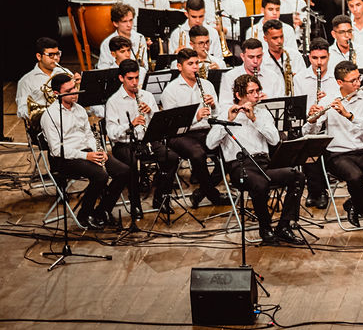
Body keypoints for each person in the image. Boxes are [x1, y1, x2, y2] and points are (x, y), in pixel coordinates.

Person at [207, 74, 305, 245]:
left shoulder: (262, 113)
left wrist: (254, 119)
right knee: (260, 183)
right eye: (251, 92)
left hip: (264, 164)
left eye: (258, 90)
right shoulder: (226, 113)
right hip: (240, 166)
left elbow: (274, 140)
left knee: (297, 176)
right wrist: (228, 120)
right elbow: (210, 144)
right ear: (239, 95)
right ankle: (265, 228)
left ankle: (284, 226)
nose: (257, 95)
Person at [304, 61, 363, 225]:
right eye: (353, 81)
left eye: (358, 78)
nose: (358, 83)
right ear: (340, 83)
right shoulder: (329, 99)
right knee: (355, 176)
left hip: (362, 152)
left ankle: (355, 205)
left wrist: (349, 116)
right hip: (338, 155)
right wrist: (313, 119)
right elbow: (308, 133)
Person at [40, 73, 129, 230]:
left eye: (74, 87)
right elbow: (55, 149)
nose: (75, 92)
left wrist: (97, 151)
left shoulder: (80, 109)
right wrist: (86, 155)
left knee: (123, 171)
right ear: (57, 94)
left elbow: (88, 135)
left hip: (86, 152)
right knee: (101, 175)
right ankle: (84, 214)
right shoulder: (50, 116)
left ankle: (102, 211)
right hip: (64, 158)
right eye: (69, 90)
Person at [105, 59, 179, 218]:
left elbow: (158, 125)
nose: (134, 83)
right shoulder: (113, 101)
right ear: (121, 78)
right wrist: (130, 125)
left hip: (147, 141)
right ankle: (135, 205)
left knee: (171, 157)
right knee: (132, 165)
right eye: (130, 79)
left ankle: (161, 198)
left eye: (137, 78)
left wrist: (151, 112)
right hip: (124, 144)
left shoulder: (147, 95)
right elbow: (111, 133)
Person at [161, 48, 229, 208]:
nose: (195, 67)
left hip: (205, 130)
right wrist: (195, 117)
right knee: (198, 154)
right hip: (181, 135)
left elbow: (217, 114)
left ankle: (201, 192)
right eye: (190, 64)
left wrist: (212, 106)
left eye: (197, 63)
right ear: (179, 67)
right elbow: (171, 125)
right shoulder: (171, 90)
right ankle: (213, 195)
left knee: (229, 149)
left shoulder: (207, 85)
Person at [17, 37, 76, 122]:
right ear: (39, 56)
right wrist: (45, 113)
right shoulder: (26, 81)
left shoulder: (66, 72)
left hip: (69, 120)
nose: (56, 58)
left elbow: (76, 100)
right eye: (51, 55)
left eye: (57, 53)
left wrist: (78, 85)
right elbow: (22, 110)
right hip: (43, 124)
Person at [218, 39, 284, 109]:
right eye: (251, 57)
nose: (255, 61)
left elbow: (281, 105)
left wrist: (268, 102)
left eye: (259, 57)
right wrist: (243, 104)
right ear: (243, 57)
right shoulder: (230, 77)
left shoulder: (273, 77)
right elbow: (224, 107)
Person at [97, 3, 149, 71]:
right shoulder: (107, 43)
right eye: (124, 21)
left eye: (131, 20)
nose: (129, 25)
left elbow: (145, 67)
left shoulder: (140, 38)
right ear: (115, 23)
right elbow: (103, 69)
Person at [261, 19, 302, 96]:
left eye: (281, 37)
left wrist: (296, 79)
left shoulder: (295, 56)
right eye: (275, 38)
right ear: (265, 39)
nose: (279, 41)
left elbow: (304, 81)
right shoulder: (261, 59)